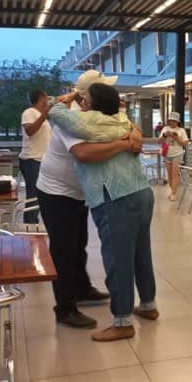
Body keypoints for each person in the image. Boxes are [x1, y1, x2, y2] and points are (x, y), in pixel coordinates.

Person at [49, 83, 158, 342]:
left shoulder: (84, 121)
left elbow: (54, 111)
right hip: (142, 192)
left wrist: (68, 97)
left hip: (115, 194)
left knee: (117, 258)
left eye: (85, 97)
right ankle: (148, 305)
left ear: (90, 103)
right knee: (141, 252)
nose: (82, 101)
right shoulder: (123, 120)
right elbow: (136, 138)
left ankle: (122, 322)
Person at [35, 71, 119, 329]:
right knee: (63, 250)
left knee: (79, 243)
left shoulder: (90, 117)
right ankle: (65, 308)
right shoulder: (72, 120)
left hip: (76, 192)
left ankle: (81, 289)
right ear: (88, 98)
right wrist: (125, 144)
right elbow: (83, 153)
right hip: (56, 192)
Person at [19, 89, 52, 223]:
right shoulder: (29, 112)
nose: (48, 99)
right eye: (46, 96)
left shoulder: (41, 116)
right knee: (34, 194)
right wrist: (43, 116)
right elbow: (30, 131)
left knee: (39, 194)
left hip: (40, 160)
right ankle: (30, 223)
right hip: (31, 159)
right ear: (41, 98)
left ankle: (32, 221)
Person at [159, 112, 188, 201]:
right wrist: (165, 135)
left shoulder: (181, 130)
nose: (172, 123)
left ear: (177, 122)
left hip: (178, 154)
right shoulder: (165, 129)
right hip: (167, 154)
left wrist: (176, 137)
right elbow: (159, 141)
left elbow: (184, 143)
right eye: (170, 121)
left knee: (175, 174)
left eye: (174, 121)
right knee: (169, 174)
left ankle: (174, 193)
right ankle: (172, 191)